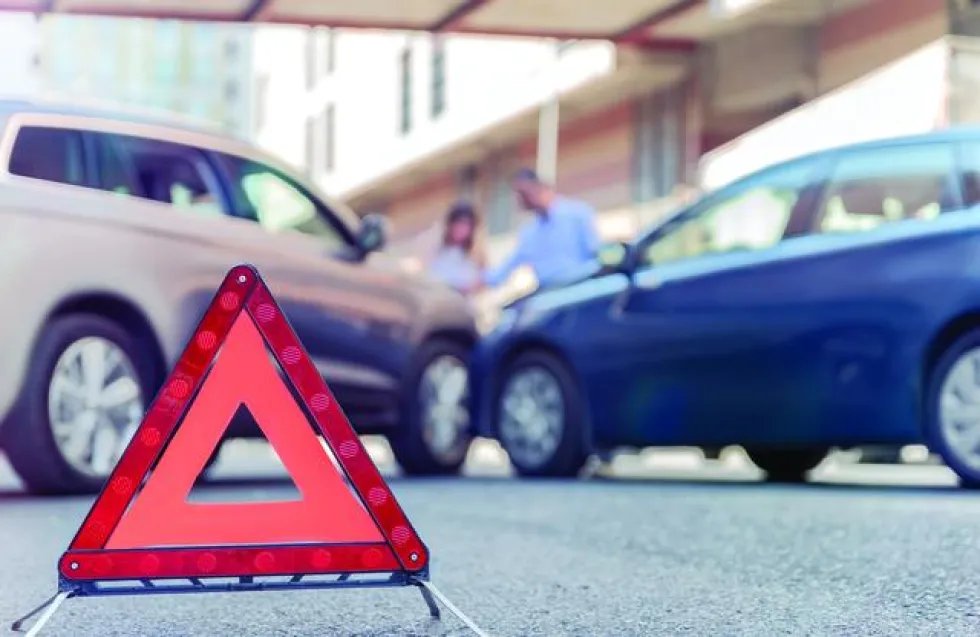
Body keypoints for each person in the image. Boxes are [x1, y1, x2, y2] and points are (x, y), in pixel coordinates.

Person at [479, 168, 600, 290]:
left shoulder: (577, 214)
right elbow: (506, 269)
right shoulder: (529, 233)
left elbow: (596, 253)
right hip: (550, 297)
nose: (521, 200)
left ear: (538, 187)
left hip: (583, 290)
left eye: (523, 193)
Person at [427, 200, 485, 295]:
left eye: (467, 225)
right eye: (459, 224)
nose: (462, 229)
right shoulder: (437, 248)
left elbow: (481, 281)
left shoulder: (475, 254)